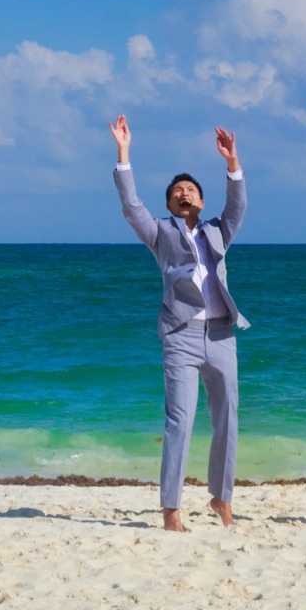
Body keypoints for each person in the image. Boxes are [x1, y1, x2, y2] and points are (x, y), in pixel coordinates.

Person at [109, 113, 248, 532]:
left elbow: (238, 205)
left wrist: (232, 163)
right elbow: (132, 205)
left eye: (190, 190)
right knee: (180, 421)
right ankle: (171, 508)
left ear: (201, 202)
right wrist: (124, 152)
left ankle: (221, 499)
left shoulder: (219, 231)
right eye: (176, 192)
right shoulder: (160, 233)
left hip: (222, 334)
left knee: (228, 418)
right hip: (181, 336)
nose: (184, 194)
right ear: (170, 205)